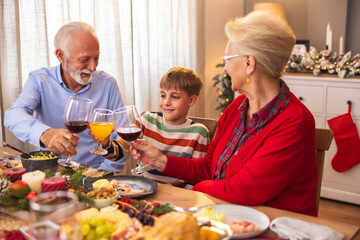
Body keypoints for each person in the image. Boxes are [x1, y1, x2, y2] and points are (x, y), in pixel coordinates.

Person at [130, 11, 318, 216]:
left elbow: (243, 190)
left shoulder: (295, 121)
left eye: (227, 59)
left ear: (249, 63)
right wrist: (159, 160)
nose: (225, 67)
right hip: (228, 213)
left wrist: (191, 191)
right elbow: (208, 167)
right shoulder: (237, 108)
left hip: (275, 226)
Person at [4, 22, 126, 172]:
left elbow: (123, 138)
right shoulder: (40, 80)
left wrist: (103, 174)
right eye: (84, 59)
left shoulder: (108, 84)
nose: (93, 67)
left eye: (96, 58)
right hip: (49, 172)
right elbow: (13, 115)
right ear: (61, 56)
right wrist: (44, 134)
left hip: (94, 172)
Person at [91, 67, 210, 185]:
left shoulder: (199, 133)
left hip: (176, 196)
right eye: (163, 95)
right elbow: (117, 153)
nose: (166, 102)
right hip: (142, 188)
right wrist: (106, 143)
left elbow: (197, 178)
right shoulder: (147, 121)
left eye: (175, 97)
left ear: (191, 101)